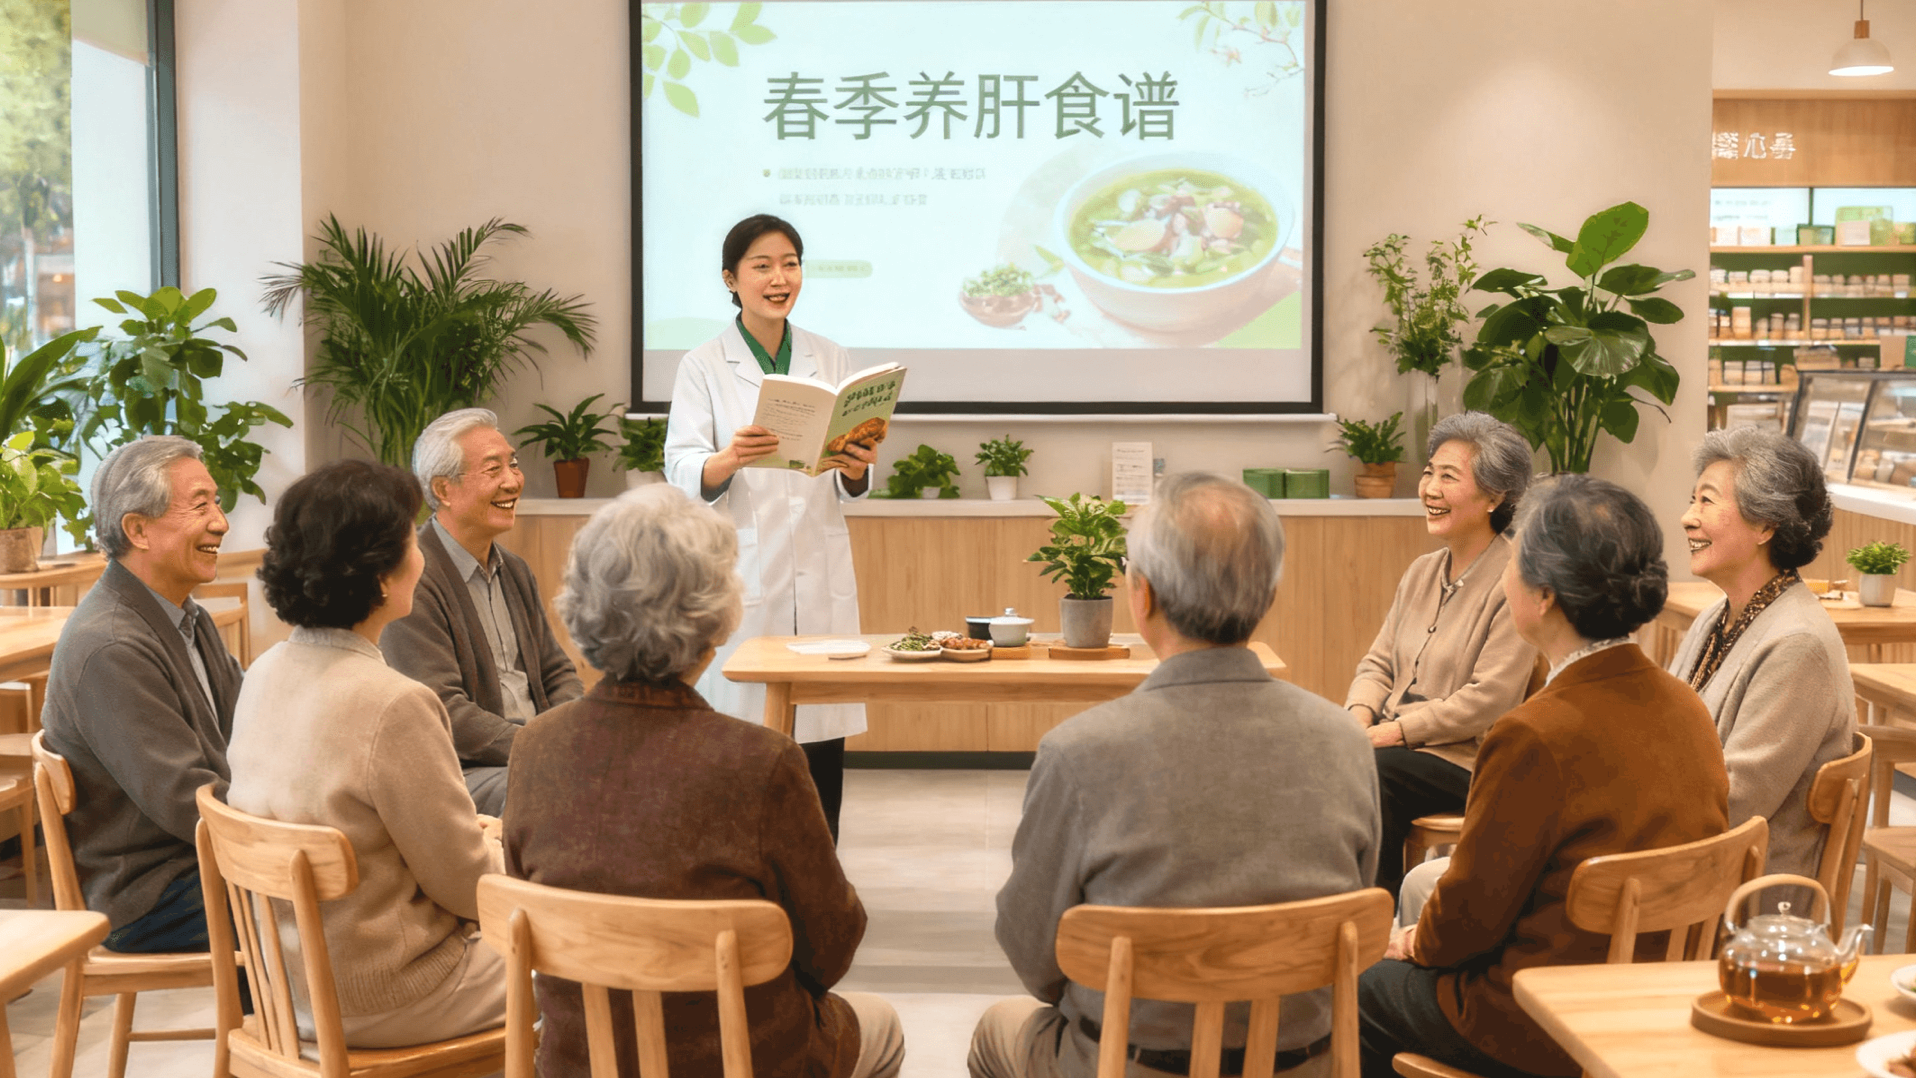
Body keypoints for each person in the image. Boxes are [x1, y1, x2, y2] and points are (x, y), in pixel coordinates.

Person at [972, 472, 1379, 1078]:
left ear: (1142, 595)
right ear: (1270, 595)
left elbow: (1036, 958)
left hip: (1130, 1064)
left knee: (996, 1031)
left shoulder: (1078, 753)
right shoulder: (1346, 741)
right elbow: (1354, 918)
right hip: (1304, 1064)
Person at [502, 484, 903, 1078]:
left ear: (583, 605)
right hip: (740, 1059)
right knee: (880, 1025)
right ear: (716, 616)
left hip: (578, 1059)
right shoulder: (761, 761)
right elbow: (830, 950)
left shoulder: (535, 746)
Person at [1357, 476, 1728, 1078]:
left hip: (1543, 1014)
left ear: (1546, 594)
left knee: (1363, 985)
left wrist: (1410, 942)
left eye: (1514, 560)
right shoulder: (1687, 706)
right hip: (1658, 992)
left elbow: (1467, 925)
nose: (1505, 572)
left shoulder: (1534, 733)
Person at [226, 460, 506, 1046]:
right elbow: (467, 888)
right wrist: (509, 850)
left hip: (285, 990)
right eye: (413, 539)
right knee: (581, 957)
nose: (423, 555)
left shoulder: (262, 671)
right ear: (380, 575)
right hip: (391, 991)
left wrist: (474, 836)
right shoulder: (395, 703)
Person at [664, 213, 879, 840]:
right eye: (762, 266)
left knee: (820, 748)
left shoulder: (829, 356)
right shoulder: (703, 365)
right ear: (731, 279)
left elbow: (849, 482)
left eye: (790, 264)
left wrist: (857, 466)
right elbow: (682, 466)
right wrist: (730, 457)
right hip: (746, 571)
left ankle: (820, 876)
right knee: (744, 743)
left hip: (818, 571)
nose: (779, 278)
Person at [39, 436, 244, 953]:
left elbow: (253, 725)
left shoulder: (187, 616)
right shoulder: (110, 645)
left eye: (217, 503)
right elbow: (187, 801)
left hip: (199, 857)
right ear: (138, 530)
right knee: (342, 893)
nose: (221, 522)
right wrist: (296, 825)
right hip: (151, 890)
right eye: (200, 505)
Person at [1344, 411, 1538, 895]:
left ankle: (1372, 917)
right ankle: (1325, 909)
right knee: (1324, 755)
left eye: (1448, 477)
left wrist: (1391, 733)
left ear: (1494, 497)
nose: (1430, 488)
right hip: (1396, 747)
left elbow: (1488, 699)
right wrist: (1356, 720)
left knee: (1373, 772)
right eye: (1429, 472)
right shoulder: (1421, 571)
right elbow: (1378, 664)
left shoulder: (1516, 579)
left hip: (1467, 761)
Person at [1670, 426, 1855, 883]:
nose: (1688, 518)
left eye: (1706, 501)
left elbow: (1735, 802)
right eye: (1693, 500)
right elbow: (1660, 733)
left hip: (1742, 888)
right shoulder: (1713, 617)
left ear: (1765, 525)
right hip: (1693, 856)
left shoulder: (1799, 644)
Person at [382, 407, 584, 816]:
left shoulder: (516, 569)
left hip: (537, 754)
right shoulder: (411, 576)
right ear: (443, 490)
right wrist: (542, 747)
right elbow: (442, 709)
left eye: (513, 464)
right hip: (463, 771)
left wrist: (569, 734)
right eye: (493, 470)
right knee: (571, 790)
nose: (513, 481)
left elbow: (557, 672)